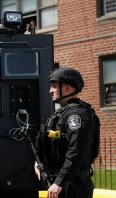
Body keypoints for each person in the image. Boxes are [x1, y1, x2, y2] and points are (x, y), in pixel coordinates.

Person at [35, 68, 100, 198]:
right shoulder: (61, 114)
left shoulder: (77, 116)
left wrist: (59, 182)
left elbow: (76, 152)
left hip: (73, 185)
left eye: (54, 86)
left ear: (68, 89)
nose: (50, 91)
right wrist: (39, 162)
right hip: (61, 183)